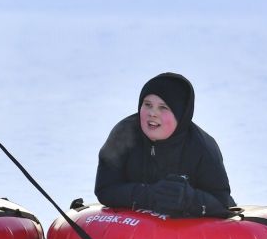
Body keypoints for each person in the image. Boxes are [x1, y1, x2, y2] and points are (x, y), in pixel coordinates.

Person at [95, 72, 235, 217]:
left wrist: (188, 198)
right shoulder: (123, 134)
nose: (152, 113)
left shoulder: (203, 147)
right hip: (134, 229)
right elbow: (105, 189)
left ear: (180, 114)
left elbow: (221, 202)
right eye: (147, 104)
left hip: (191, 232)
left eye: (163, 107)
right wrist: (149, 194)